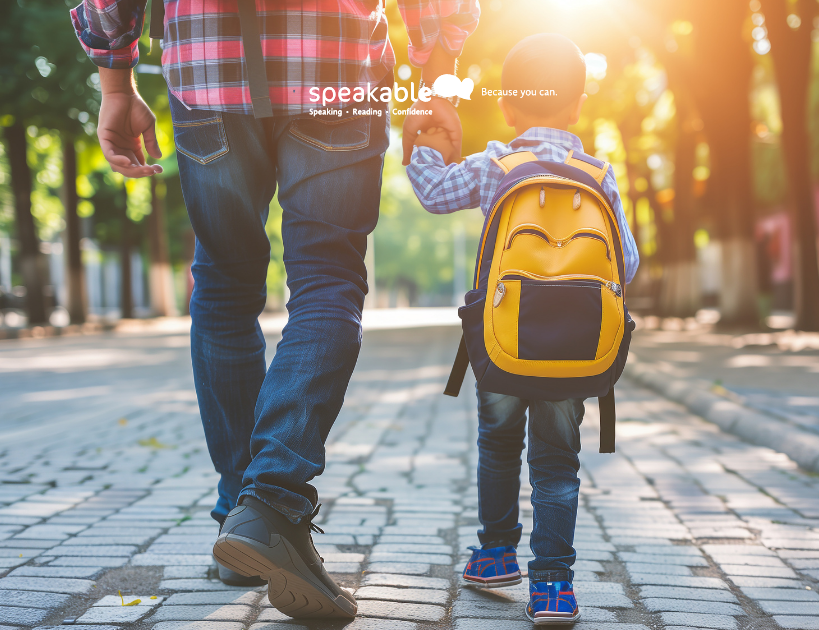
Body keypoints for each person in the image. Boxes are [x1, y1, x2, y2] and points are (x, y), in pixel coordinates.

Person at [70, 0, 478, 619]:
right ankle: (269, 502)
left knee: (226, 284)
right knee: (327, 280)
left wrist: (117, 80)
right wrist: (438, 71)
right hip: (335, 61)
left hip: (209, 67)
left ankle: (244, 510)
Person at [406, 33, 639, 625]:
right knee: (558, 463)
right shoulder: (599, 175)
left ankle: (494, 554)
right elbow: (627, 264)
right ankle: (554, 586)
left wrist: (423, 147)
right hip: (574, 347)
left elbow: (433, 194)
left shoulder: (494, 165)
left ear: (509, 108)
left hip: (503, 341)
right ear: (578, 105)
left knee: (499, 444)